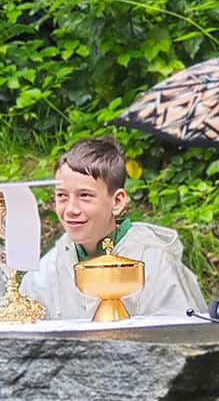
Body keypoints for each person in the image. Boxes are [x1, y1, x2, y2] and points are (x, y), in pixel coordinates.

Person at [21, 135, 205, 319]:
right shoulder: (45, 272)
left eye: (85, 196)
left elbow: (179, 331)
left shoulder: (155, 262)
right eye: (62, 196)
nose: (70, 209)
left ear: (117, 201)